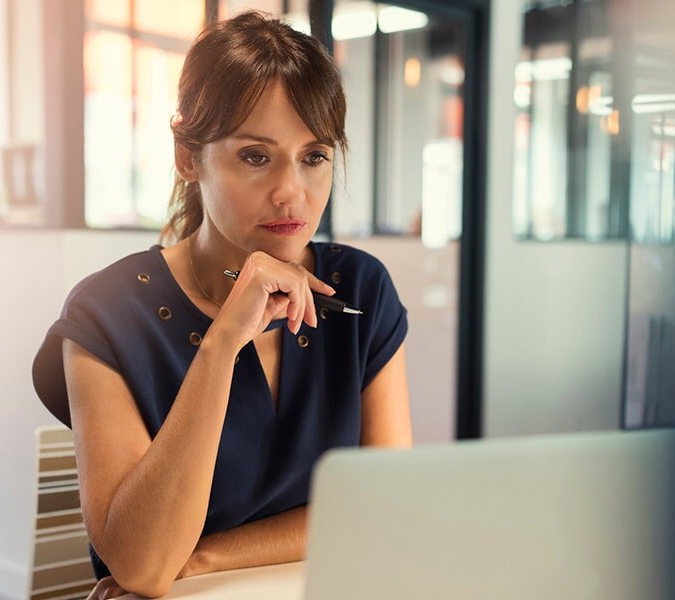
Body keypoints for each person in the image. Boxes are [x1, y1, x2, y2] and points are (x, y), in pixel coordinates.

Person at [31, 11, 412, 599]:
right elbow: (140, 566)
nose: (293, 192)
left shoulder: (359, 290)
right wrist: (220, 344)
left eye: (314, 156)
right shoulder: (107, 314)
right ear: (189, 156)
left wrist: (205, 557)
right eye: (256, 156)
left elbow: (385, 507)